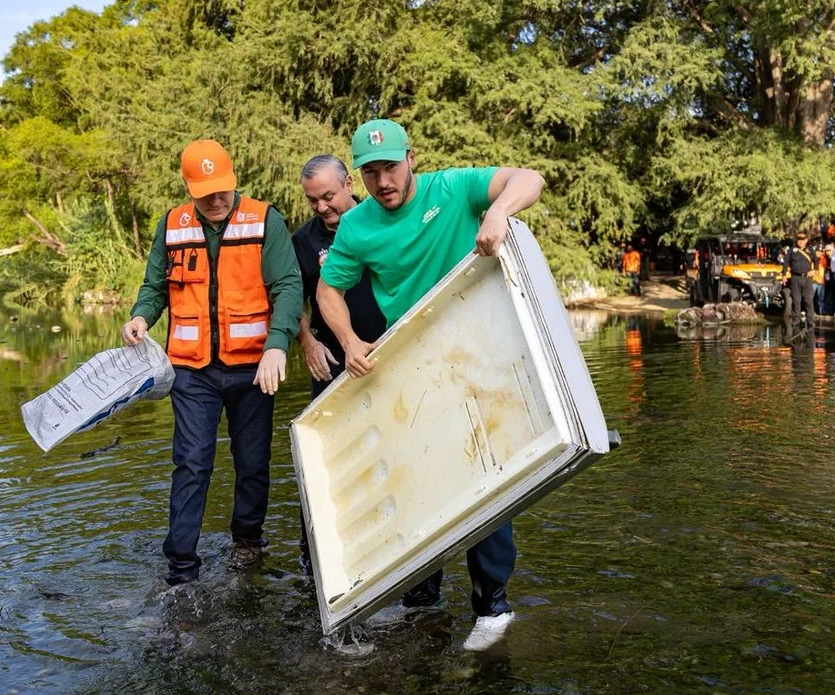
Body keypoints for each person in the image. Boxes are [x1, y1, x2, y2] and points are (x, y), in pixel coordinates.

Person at [315, 118, 545, 650]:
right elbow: (329, 292)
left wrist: (497, 210)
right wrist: (348, 340)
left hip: (477, 345)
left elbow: (528, 178)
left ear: (411, 158)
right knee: (417, 476)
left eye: (390, 167)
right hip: (411, 360)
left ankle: (493, 606)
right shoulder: (356, 228)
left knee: (485, 470)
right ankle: (424, 599)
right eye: (370, 173)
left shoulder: (453, 187)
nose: (383, 181)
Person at [122, 139, 303, 585]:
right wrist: (140, 317)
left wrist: (278, 344)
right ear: (189, 188)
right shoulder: (171, 225)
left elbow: (288, 286)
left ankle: (247, 542)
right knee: (192, 461)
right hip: (191, 369)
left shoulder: (265, 220)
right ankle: (182, 565)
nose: (217, 200)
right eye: (206, 193)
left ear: (233, 180)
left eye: (223, 190)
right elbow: (154, 287)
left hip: (254, 367)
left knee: (254, 461)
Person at [290, 154, 386, 573]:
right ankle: (318, 562)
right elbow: (293, 299)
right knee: (326, 462)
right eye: (313, 201)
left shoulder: (382, 220)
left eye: (328, 196)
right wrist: (307, 341)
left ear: (349, 184)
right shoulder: (304, 241)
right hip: (331, 363)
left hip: (389, 354)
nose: (322, 207)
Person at [782, 232, 816, 323]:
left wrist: (814, 270)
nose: (800, 242)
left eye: (802, 240)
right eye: (799, 240)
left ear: (806, 240)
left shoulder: (810, 250)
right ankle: (796, 319)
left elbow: (816, 261)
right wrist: (784, 275)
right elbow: (786, 263)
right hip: (795, 277)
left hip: (807, 278)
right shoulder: (792, 250)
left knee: (808, 300)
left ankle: (810, 320)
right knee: (796, 299)